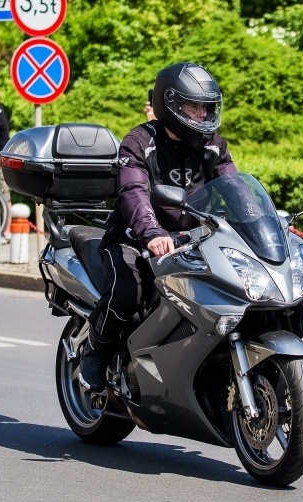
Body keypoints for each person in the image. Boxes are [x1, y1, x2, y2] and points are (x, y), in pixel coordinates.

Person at [80, 62, 236, 392]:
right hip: (132, 240)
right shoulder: (139, 141)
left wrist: (261, 222)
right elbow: (133, 192)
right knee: (127, 293)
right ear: (170, 105)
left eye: (206, 107)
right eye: (194, 106)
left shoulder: (214, 145)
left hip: (193, 240)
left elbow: (233, 188)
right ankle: (96, 349)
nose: (202, 114)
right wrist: (151, 233)